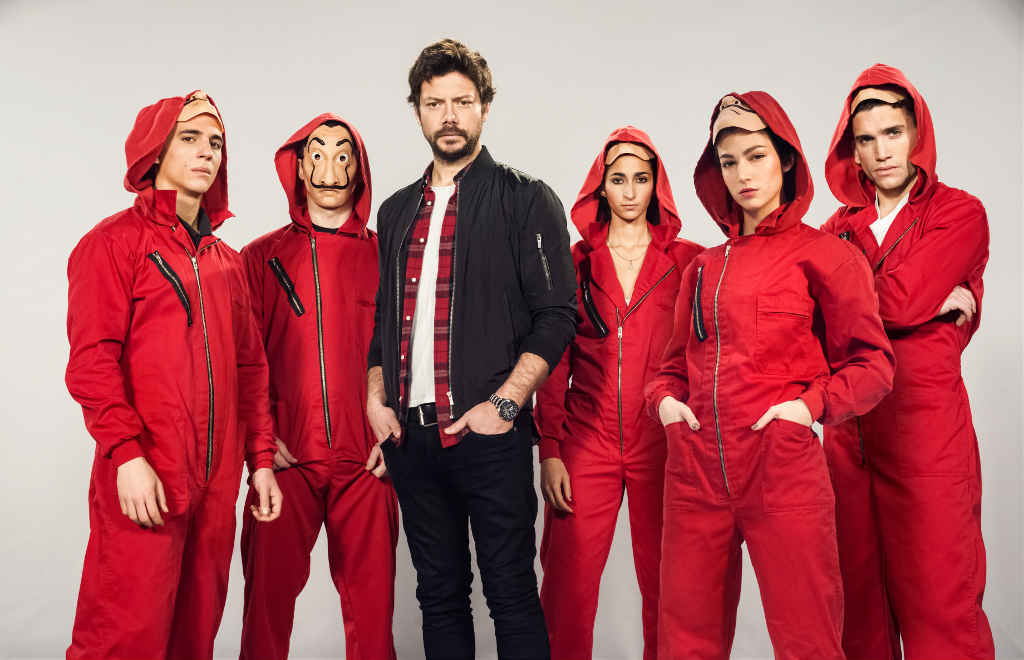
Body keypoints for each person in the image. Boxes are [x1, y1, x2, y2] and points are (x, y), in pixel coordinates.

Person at [644, 91, 895, 660]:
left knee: (807, 636)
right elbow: (668, 369)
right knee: (684, 640)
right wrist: (665, 405)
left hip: (782, 469)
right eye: (729, 162)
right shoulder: (702, 268)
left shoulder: (827, 256)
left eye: (756, 157)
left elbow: (874, 364)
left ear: (784, 159)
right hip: (696, 473)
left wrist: (806, 408)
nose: (743, 175)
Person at [366, 38, 576, 660]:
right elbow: (383, 322)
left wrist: (506, 405)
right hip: (412, 441)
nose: (450, 116)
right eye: (435, 104)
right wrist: (376, 399)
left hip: (490, 438)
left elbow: (556, 315)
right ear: (417, 111)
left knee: (511, 592)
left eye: (463, 101)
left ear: (485, 106)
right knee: (438, 596)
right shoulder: (395, 211)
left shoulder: (525, 198)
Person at [64, 90, 282, 660]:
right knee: (123, 635)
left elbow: (251, 370)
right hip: (148, 473)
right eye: (190, 138)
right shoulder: (112, 244)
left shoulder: (227, 264)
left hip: (216, 487)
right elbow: (91, 363)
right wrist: (126, 456)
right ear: (156, 151)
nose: (207, 152)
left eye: (216, 143)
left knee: (195, 635)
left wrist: (260, 461)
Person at [820, 63, 994, 660]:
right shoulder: (838, 227)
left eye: (893, 133)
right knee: (858, 616)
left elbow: (895, 300)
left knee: (940, 608)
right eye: (866, 139)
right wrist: (921, 303)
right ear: (853, 150)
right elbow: (812, 319)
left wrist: (854, 295)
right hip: (848, 437)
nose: (882, 151)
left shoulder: (959, 212)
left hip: (925, 435)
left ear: (917, 133)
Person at [535, 126, 702, 660]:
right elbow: (553, 362)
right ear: (601, 187)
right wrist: (551, 449)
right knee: (567, 586)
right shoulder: (574, 262)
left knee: (671, 586)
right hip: (587, 440)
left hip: (664, 441)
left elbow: (715, 344)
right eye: (619, 179)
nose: (630, 191)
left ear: (657, 186)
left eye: (641, 179)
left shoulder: (690, 262)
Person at [237, 114, 399, 660]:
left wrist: (398, 437)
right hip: (286, 462)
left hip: (368, 463)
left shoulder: (388, 257)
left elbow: (413, 353)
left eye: (343, 155)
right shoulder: (259, 258)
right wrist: (260, 445)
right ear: (300, 168)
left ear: (359, 170)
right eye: (318, 155)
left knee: (373, 620)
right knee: (265, 611)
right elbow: (242, 361)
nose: (330, 169)